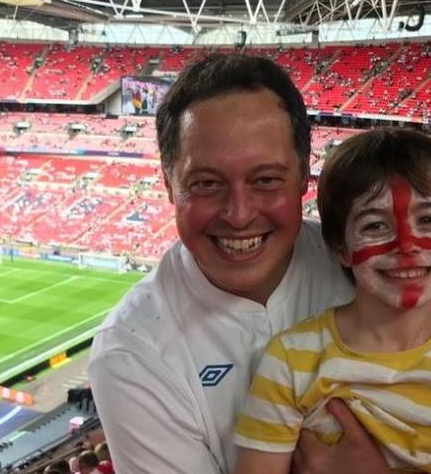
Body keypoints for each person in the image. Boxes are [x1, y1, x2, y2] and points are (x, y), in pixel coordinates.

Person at [88, 54, 384, 474]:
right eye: (206, 184)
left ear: (303, 176)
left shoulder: (370, 269)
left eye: (266, 180)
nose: (239, 214)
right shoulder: (131, 353)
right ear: (169, 183)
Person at [233, 129, 431, 474]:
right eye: (375, 225)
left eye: (428, 219)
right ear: (341, 247)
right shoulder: (290, 361)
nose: (406, 244)